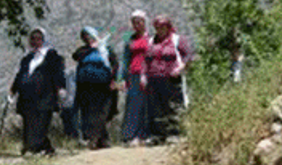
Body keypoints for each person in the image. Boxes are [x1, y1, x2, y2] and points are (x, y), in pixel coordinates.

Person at [9, 27, 65, 156]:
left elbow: (57, 72)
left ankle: (36, 148)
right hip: (27, 97)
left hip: (45, 96)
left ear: (43, 40)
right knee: (29, 123)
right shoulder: (27, 58)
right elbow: (20, 76)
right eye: (32, 39)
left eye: (38, 39)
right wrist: (13, 91)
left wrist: (61, 88)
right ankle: (35, 147)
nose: (35, 41)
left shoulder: (51, 55)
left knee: (41, 122)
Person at [143, 14, 194, 142]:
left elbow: (188, 56)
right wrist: (143, 76)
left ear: (168, 26)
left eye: (163, 26)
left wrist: (180, 68)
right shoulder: (150, 41)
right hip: (154, 78)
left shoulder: (177, 40)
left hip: (172, 78)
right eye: (158, 27)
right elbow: (146, 60)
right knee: (155, 107)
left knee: (173, 106)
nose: (160, 29)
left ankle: (175, 133)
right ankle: (158, 135)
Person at [71, 26, 118, 150]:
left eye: (90, 36)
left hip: (103, 85)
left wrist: (114, 81)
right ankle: (100, 140)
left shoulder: (106, 49)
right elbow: (75, 56)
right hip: (86, 86)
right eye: (85, 36)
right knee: (89, 113)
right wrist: (91, 48)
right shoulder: (83, 51)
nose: (87, 39)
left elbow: (115, 65)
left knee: (102, 112)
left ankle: (95, 139)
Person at [119, 10, 150, 146]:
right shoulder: (130, 40)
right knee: (133, 105)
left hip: (149, 74)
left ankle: (145, 135)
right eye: (134, 22)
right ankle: (131, 136)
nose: (137, 25)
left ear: (144, 22)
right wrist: (123, 78)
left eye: (139, 21)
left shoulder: (151, 39)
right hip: (133, 75)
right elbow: (125, 59)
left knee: (147, 105)